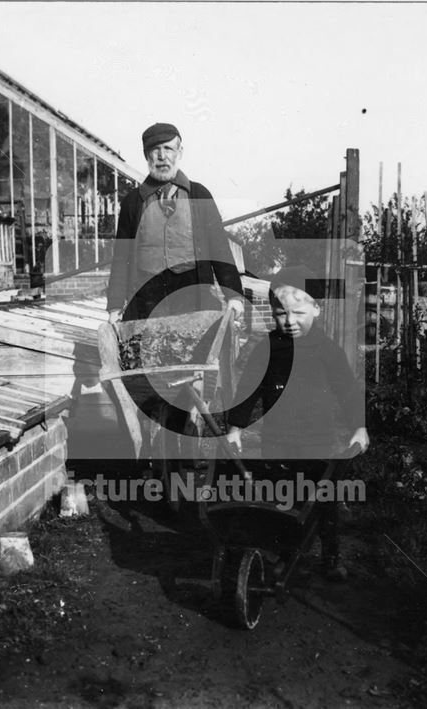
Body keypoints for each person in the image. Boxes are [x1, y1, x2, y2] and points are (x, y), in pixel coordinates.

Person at [225, 265, 369, 582]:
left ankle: (331, 556)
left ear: (315, 308)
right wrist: (235, 428)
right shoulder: (266, 348)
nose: (289, 321)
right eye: (280, 314)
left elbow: (347, 390)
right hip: (276, 438)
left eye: (298, 313)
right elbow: (247, 391)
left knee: (323, 500)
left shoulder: (328, 350)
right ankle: (283, 553)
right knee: (281, 500)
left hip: (317, 438)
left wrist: (358, 426)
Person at [106, 122, 245, 323]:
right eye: (155, 150)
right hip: (147, 306)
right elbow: (121, 258)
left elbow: (219, 248)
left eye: (168, 148)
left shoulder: (199, 195)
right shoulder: (132, 203)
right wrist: (115, 306)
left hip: (194, 303)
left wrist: (234, 296)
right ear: (146, 155)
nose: (162, 156)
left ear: (179, 152)